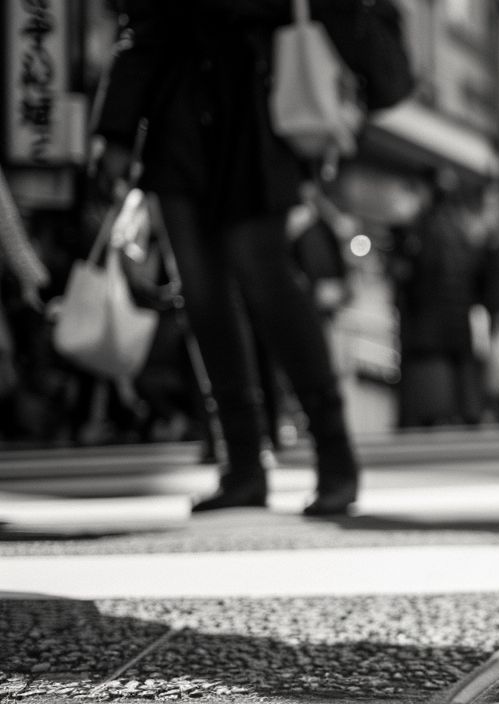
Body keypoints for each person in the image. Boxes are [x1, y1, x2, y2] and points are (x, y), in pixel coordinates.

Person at [92, 1, 362, 514]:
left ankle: (333, 453)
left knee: (269, 284)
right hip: (180, 120)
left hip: (253, 111)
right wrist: (118, 128)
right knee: (204, 300)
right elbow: (144, 25)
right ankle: (241, 462)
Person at [389, 169, 488, 428]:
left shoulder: (424, 230)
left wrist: (399, 240)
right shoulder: (459, 228)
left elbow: (412, 276)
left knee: (430, 400)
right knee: (455, 390)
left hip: (431, 324)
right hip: (455, 322)